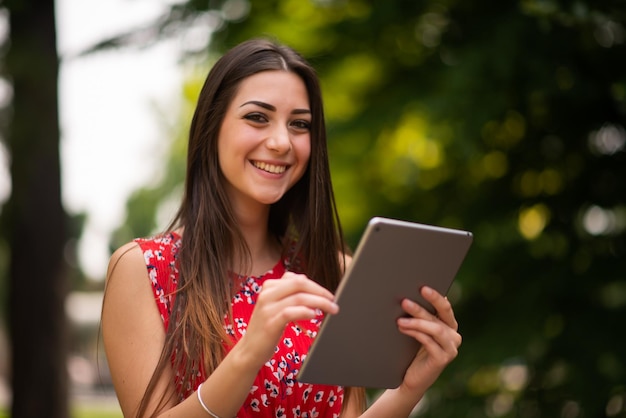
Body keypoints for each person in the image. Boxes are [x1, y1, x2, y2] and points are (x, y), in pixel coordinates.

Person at [102, 38, 462, 418]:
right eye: (257, 117)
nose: (280, 142)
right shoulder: (144, 269)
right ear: (212, 126)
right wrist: (250, 352)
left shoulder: (333, 270)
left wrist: (408, 390)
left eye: (300, 124)